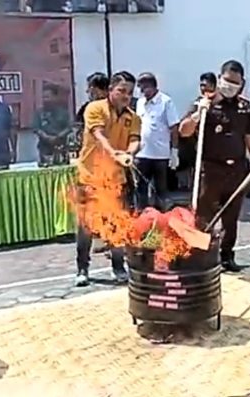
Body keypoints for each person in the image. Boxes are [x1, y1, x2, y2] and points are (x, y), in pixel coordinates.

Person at [179, 60, 250, 272]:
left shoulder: (244, 107)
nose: (230, 86)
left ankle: (227, 256)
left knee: (231, 216)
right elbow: (184, 130)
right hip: (210, 169)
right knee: (204, 215)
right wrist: (198, 115)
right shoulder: (204, 103)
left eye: (235, 82)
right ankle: (201, 255)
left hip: (236, 169)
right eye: (227, 80)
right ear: (219, 78)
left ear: (242, 83)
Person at [75, 71, 141, 287]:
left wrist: (129, 154)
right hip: (90, 177)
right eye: (121, 90)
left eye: (130, 92)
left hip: (116, 179)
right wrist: (114, 153)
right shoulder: (95, 109)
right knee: (86, 226)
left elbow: (135, 140)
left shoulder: (133, 117)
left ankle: (118, 267)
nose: (126, 96)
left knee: (116, 225)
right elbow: (99, 135)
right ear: (110, 90)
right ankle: (82, 268)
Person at [134, 72, 181, 209]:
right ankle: (142, 217)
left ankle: (162, 218)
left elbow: (173, 128)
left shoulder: (166, 102)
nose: (143, 92)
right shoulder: (140, 102)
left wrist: (174, 151)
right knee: (140, 189)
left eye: (145, 88)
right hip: (141, 154)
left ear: (153, 86)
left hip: (160, 155)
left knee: (161, 190)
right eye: (141, 89)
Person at [176, 73, 217, 192]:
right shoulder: (197, 104)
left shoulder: (220, 103)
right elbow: (185, 123)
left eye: (206, 85)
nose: (203, 88)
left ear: (214, 86)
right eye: (201, 86)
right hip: (200, 147)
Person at [33, 84, 72, 166]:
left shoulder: (63, 112)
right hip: (45, 150)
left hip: (61, 148)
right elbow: (36, 129)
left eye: (47, 97)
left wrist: (58, 136)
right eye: (43, 97)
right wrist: (47, 137)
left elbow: (69, 127)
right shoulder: (39, 113)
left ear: (55, 97)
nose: (45, 100)